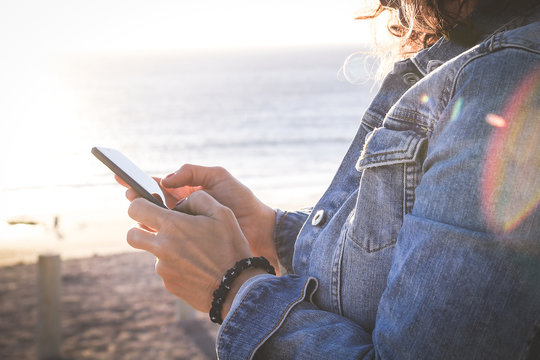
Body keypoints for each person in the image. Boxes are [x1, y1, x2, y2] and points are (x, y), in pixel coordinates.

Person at [119, 0, 540, 358]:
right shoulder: (471, 56)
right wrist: (271, 229)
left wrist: (233, 287)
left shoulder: (507, 76)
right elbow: (407, 258)